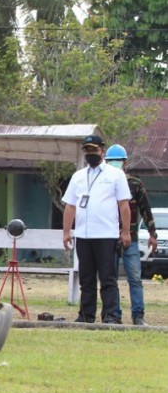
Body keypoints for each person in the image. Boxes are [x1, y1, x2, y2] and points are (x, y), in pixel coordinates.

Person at [62, 135, 131, 324]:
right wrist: (67, 231)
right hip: (84, 235)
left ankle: (111, 315)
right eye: (87, 151)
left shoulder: (115, 175)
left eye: (94, 150)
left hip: (106, 234)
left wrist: (125, 232)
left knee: (108, 278)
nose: (90, 154)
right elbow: (70, 206)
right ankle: (86, 314)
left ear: (102, 151)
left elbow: (124, 205)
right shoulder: (78, 176)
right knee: (86, 279)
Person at [105, 144, 157, 325]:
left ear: (125, 163)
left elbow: (146, 210)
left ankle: (138, 316)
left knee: (135, 278)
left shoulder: (135, 184)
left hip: (131, 240)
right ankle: (114, 315)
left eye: (117, 162)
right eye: (111, 162)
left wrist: (153, 234)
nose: (115, 165)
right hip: (109, 239)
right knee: (110, 279)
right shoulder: (103, 185)